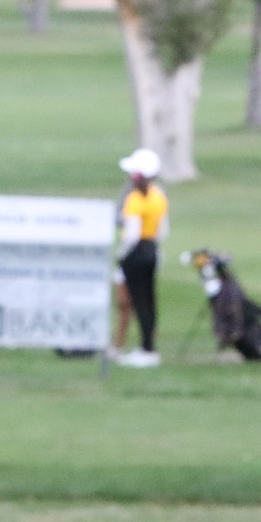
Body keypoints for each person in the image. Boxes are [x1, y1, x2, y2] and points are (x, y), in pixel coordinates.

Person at [114, 148, 168, 368]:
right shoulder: (159, 195)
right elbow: (163, 230)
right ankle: (148, 346)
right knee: (149, 301)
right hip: (152, 249)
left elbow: (132, 235)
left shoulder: (134, 199)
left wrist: (121, 255)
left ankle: (146, 350)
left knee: (139, 300)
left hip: (136, 253)